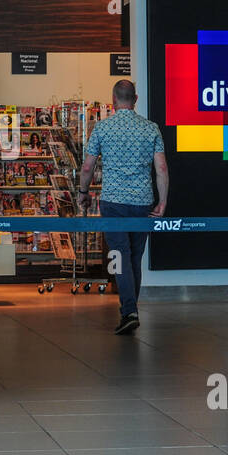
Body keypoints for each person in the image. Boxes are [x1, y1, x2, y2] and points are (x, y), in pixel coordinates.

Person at [77, 79, 168, 335]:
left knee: (119, 255)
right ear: (135, 99)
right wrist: (162, 201)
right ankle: (131, 308)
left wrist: (83, 193)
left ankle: (129, 311)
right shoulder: (151, 129)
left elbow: (87, 167)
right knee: (134, 258)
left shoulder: (103, 128)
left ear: (113, 100)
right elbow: (161, 169)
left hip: (113, 203)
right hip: (142, 202)